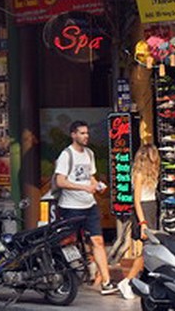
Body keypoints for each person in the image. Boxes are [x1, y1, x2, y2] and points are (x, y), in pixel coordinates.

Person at [55, 120, 116, 295]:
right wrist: (84, 187)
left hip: (89, 205)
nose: (85, 136)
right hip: (70, 206)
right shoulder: (67, 155)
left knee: (98, 241)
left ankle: (106, 282)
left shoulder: (89, 153)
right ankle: (65, 277)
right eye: (81, 133)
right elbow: (60, 181)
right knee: (67, 242)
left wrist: (97, 186)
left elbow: (90, 177)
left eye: (87, 133)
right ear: (73, 135)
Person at [118, 144, 160, 300]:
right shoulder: (139, 174)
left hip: (151, 208)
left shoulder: (151, 174)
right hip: (144, 211)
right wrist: (143, 223)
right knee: (147, 251)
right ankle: (127, 281)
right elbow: (136, 201)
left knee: (151, 250)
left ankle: (141, 281)